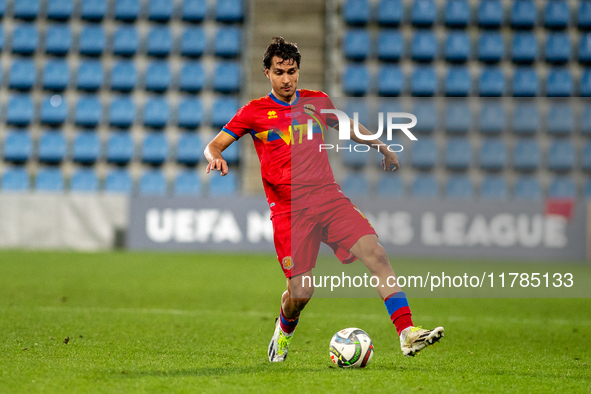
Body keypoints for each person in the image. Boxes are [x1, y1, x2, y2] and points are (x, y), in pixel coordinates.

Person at [204, 36, 444, 361]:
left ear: (298, 70)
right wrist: (215, 156)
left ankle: (407, 333)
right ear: (267, 73)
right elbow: (215, 144)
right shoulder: (254, 113)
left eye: (292, 71)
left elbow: (349, 126)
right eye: (279, 72)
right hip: (290, 213)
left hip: (328, 199)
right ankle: (284, 330)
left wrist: (382, 146)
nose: (286, 79)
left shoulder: (317, 102)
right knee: (301, 293)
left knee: (376, 254)